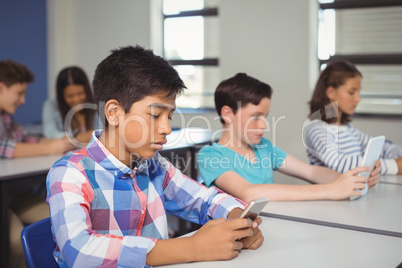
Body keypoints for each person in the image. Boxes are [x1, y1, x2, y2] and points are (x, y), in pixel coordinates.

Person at [46, 46, 264, 268]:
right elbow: (79, 251)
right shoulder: (70, 174)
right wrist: (191, 247)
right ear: (114, 113)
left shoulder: (153, 166)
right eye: (155, 115)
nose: (167, 128)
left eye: (169, 116)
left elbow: (203, 199)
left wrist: (238, 218)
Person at [197, 73, 380, 203]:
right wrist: (330, 190)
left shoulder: (264, 148)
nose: (264, 125)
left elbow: (311, 172)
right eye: (256, 117)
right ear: (228, 114)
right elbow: (249, 193)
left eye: (265, 117)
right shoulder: (211, 156)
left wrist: (351, 181)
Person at [0, 59, 74, 268]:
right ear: (1, 87)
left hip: (10, 194)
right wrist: (50, 148)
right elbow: (4, 147)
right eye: (19, 93)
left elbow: (24, 139)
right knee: (15, 241)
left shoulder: (5, 117)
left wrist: (60, 143)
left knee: (64, 219)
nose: (23, 100)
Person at [305, 60, 402, 175]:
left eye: (358, 92)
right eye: (351, 92)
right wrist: (394, 166)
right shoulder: (316, 129)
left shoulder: (349, 130)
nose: (358, 99)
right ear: (331, 92)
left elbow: (382, 148)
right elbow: (339, 164)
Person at [42, 66, 101, 145]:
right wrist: (76, 137)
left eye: (80, 93)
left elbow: (106, 132)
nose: (76, 100)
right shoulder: (51, 106)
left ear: (87, 90)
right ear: (61, 96)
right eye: (70, 96)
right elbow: (49, 132)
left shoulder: (98, 105)